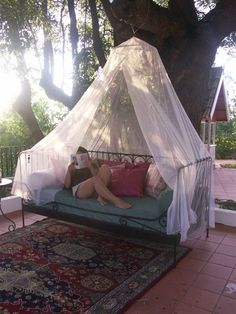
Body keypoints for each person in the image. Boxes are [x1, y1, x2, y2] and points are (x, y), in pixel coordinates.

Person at [64, 146, 131, 209]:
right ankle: (116, 201)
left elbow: (98, 177)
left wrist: (90, 167)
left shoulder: (91, 164)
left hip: (93, 188)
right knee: (95, 179)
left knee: (105, 167)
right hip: (79, 189)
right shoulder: (72, 167)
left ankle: (101, 196)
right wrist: (69, 171)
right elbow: (67, 186)